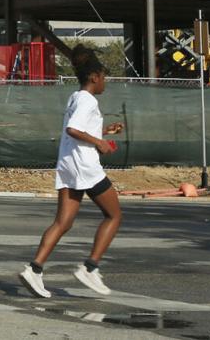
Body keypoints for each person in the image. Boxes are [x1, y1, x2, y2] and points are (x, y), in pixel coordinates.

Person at [19, 51, 124, 299]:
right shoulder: (88, 100)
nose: (105, 83)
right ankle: (90, 268)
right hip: (85, 166)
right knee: (114, 215)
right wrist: (99, 143)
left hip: (68, 164)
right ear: (95, 77)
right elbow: (73, 129)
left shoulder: (75, 97)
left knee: (63, 222)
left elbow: (80, 129)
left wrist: (105, 132)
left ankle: (34, 269)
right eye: (104, 78)